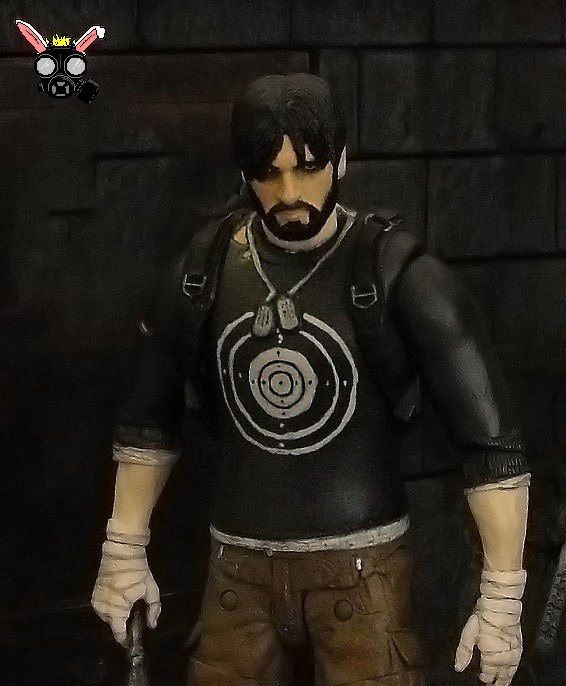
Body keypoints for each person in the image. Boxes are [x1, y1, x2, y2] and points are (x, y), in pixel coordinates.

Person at [91, 73, 531, 686]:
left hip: (363, 579)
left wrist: (503, 595)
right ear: (245, 173)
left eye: (308, 167)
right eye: (268, 174)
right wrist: (123, 550)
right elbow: (150, 419)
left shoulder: (395, 271)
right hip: (236, 576)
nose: (290, 193)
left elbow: (490, 442)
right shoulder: (204, 270)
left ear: (341, 160)